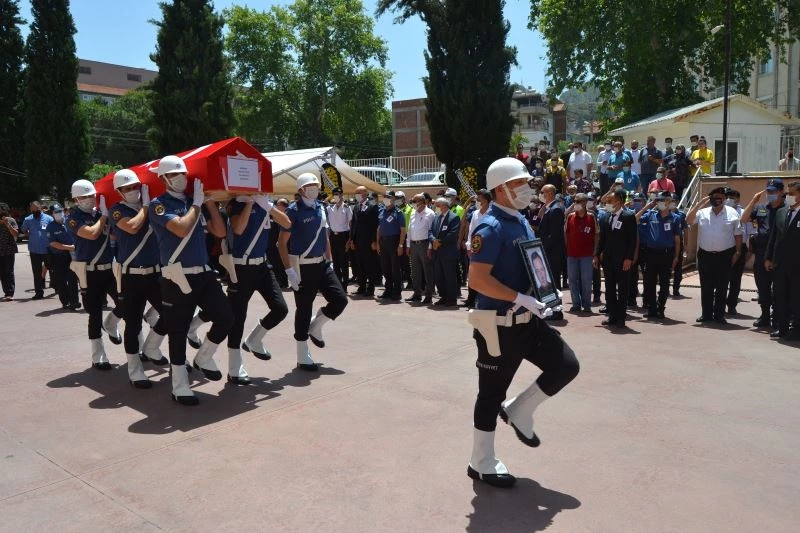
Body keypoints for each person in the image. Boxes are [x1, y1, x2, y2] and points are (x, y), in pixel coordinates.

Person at [466, 156, 579, 488]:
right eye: (520, 184)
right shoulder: (490, 227)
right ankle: (481, 462)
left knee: (566, 366)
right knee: (490, 395)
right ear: (501, 189)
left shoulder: (521, 220)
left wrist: (544, 292)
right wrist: (519, 297)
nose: (528, 189)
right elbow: (477, 280)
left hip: (528, 319)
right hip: (498, 326)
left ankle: (519, 410)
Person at [148, 156, 233, 405]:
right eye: (175, 175)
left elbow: (219, 232)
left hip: (204, 273)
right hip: (177, 276)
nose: (181, 178)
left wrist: (208, 203)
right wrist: (196, 204)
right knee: (178, 329)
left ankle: (204, 357)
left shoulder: (192, 202)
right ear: (163, 179)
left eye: (183, 174)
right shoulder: (158, 205)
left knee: (225, 317)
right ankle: (179, 385)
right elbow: (181, 228)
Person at [278, 173, 348, 371]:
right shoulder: (292, 211)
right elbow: (281, 243)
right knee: (303, 308)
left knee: (340, 299)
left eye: (315, 186)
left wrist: (330, 260)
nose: (314, 189)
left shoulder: (321, 207)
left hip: (322, 264)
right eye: (309, 186)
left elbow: (324, 236)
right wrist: (289, 271)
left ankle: (316, 326)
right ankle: (302, 355)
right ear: (301, 190)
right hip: (303, 266)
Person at [108, 169, 170, 389]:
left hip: (154, 274)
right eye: (128, 189)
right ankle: (135, 370)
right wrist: (146, 206)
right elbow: (132, 227)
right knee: (133, 324)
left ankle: (151, 347)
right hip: (131, 276)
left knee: (171, 313)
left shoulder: (153, 207)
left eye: (136, 187)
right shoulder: (117, 210)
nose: (133, 191)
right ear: (119, 192)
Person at [226, 193, 292, 383]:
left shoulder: (265, 204)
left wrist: (268, 206)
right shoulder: (235, 204)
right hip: (241, 267)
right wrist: (248, 203)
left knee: (280, 308)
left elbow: (287, 223)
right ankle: (234, 368)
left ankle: (254, 340)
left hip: (262, 266)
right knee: (237, 318)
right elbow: (238, 229)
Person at [66, 179, 123, 371]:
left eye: (91, 195)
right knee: (94, 313)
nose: (89, 199)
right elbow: (91, 234)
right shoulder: (73, 218)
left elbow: (114, 235)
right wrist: (105, 217)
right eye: (84, 196)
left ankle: (111, 323)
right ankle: (98, 355)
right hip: (89, 272)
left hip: (108, 269)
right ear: (76, 199)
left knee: (126, 302)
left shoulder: (101, 213)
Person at [686, 187, 742, 324]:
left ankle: (719, 315)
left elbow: (738, 234)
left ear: (724, 199)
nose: (717, 200)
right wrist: (699, 204)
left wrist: (738, 252)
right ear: (710, 198)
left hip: (725, 255)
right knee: (706, 287)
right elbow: (688, 220)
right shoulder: (702, 212)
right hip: (706, 255)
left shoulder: (732, 213)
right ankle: (706, 314)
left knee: (722, 287)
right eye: (714, 197)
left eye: (720, 197)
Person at [740, 180, 785, 328]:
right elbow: (743, 219)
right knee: (763, 288)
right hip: (761, 253)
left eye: (774, 191)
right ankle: (765, 315)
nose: (770, 194)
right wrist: (753, 201)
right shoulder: (761, 208)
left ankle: (778, 318)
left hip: (779, 255)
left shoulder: (787, 209)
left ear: (781, 191)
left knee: (780, 289)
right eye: (768, 191)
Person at [595, 189, 637, 328]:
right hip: (608, 259)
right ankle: (612, 316)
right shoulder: (606, 217)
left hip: (622, 260)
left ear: (618, 201)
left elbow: (632, 240)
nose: (607, 203)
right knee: (609, 288)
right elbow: (602, 239)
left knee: (623, 289)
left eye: (610, 201)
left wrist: (629, 258)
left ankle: (621, 317)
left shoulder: (629, 216)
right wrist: (596, 254)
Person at [635, 192, 681, 319]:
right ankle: (652, 308)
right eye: (659, 200)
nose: (661, 203)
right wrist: (646, 207)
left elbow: (677, 240)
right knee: (649, 283)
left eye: (663, 200)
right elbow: (635, 219)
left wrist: (676, 257)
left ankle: (661, 308)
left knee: (665, 283)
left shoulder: (675, 218)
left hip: (666, 254)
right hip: (651, 253)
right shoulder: (651, 215)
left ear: (668, 202)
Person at [765, 181, 800, 340]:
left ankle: (797, 329)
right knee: (781, 297)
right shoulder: (781, 212)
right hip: (780, 265)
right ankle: (783, 327)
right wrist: (768, 258)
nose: (789, 197)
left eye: (792, 194)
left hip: (797, 266)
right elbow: (773, 238)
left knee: (796, 299)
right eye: (788, 194)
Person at [537, 184, 566, 317]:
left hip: (552, 253)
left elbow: (554, 235)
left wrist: (542, 249)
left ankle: (556, 312)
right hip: (548, 252)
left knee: (554, 282)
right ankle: (551, 309)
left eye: (542, 192)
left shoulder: (556, 210)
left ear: (549, 193)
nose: (540, 194)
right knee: (549, 283)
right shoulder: (549, 208)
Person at [564, 193, 596, 313]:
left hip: (587, 255)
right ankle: (576, 304)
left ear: (584, 202)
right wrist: (568, 248)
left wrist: (595, 253)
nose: (575, 203)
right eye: (575, 201)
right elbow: (566, 233)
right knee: (572, 280)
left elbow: (597, 235)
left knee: (586, 280)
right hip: (572, 254)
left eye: (578, 201)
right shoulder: (570, 216)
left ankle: (587, 305)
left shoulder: (592, 216)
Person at [724, 189, 752, 315]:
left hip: (740, 248)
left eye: (732, 197)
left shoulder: (744, 212)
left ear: (738, 199)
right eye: (727, 196)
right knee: (721, 279)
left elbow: (750, 232)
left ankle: (731, 305)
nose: (729, 199)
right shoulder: (721, 211)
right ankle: (719, 304)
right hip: (723, 249)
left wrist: (750, 251)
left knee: (735, 280)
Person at [45, 203, 79, 310]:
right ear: (52, 214)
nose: (59, 213)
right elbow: (53, 243)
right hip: (58, 257)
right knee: (61, 281)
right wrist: (69, 247)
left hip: (72, 256)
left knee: (73, 279)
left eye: (60, 211)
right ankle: (65, 302)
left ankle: (74, 302)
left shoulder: (70, 222)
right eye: (56, 212)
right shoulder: (51, 227)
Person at [430, 196, 461, 306]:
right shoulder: (436, 217)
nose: (435, 207)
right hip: (437, 252)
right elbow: (431, 231)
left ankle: (451, 299)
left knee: (449, 276)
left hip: (448, 252)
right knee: (439, 276)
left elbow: (453, 234)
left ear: (443, 206)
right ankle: (443, 296)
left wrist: (440, 242)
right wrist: (434, 240)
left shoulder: (454, 218)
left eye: (437, 206)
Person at [349, 186, 380, 296]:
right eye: (356, 193)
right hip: (358, 242)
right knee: (359, 265)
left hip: (368, 242)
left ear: (366, 194)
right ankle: (361, 287)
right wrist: (352, 240)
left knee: (369, 265)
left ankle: (370, 288)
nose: (357, 195)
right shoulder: (356, 207)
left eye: (359, 193)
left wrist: (374, 241)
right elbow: (353, 224)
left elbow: (375, 226)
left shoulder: (372, 207)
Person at [405, 193, 436, 304]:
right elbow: (409, 230)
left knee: (427, 271)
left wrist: (430, 247)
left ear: (422, 202)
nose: (413, 203)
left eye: (415, 201)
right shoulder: (413, 212)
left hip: (425, 244)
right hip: (414, 245)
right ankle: (417, 293)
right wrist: (408, 245)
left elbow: (432, 231)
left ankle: (428, 295)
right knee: (415, 271)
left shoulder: (430, 214)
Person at [376, 191, 406, 300]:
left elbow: (403, 230)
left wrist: (401, 245)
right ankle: (388, 290)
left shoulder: (398, 212)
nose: (386, 199)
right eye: (385, 197)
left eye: (388, 197)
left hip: (394, 242)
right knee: (385, 267)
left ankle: (397, 291)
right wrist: (378, 243)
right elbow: (379, 228)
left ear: (393, 199)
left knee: (395, 268)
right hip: (383, 242)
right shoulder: (381, 210)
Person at [21, 201, 53, 299]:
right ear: (31, 210)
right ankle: (39, 292)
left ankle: (57, 287)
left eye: (37, 210)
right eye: (33, 210)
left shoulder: (49, 218)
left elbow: (54, 230)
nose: (35, 211)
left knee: (53, 269)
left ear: (40, 208)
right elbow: (23, 230)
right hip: (34, 250)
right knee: (36, 272)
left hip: (47, 249)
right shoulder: (28, 219)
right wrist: (27, 233)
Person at [326, 187, 352, 287]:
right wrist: (329, 198)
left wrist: (349, 240)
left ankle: (345, 284)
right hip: (333, 236)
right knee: (335, 262)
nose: (337, 196)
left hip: (343, 236)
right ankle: (338, 283)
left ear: (342, 195)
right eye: (335, 194)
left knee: (344, 262)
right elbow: (322, 203)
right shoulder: (329, 208)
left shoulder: (346, 207)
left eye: (338, 194)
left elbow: (350, 224)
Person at [267, 198, 290, 288]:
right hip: (271, 244)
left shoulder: (284, 217)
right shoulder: (271, 216)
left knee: (280, 263)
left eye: (280, 204)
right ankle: (277, 280)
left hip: (279, 244)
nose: (277, 206)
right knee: (273, 263)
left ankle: (283, 281)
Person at [0, 203, 19, 300]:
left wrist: (8, 225)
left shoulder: (11, 220)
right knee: (2, 272)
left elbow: (16, 234)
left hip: (9, 250)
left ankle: (9, 293)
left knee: (8, 271)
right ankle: (6, 291)